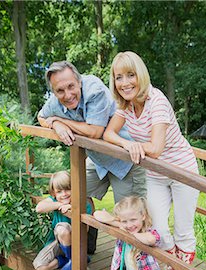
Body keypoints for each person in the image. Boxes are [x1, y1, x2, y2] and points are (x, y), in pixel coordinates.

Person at [103, 51, 199, 270]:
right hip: (156, 174)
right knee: (158, 228)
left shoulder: (156, 100)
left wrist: (138, 146)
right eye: (119, 77)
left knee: (183, 231)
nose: (125, 83)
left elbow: (156, 148)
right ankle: (169, 267)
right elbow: (108, 133)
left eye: (130, 75)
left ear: (141, 75)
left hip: (182, 171)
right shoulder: (125, 105)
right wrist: (128, 143)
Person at [37, 61, 146, 204]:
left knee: (128, 216)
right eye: (60, 91)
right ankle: (89, 226)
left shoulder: (94, 90)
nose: (68, 95)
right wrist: (56, 124)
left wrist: (60, 120)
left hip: (126, 159)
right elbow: (41, 116)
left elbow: (94, 131)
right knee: (72, 197)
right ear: (54, 92)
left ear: (79, 82)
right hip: (98, 160)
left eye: (71, 86)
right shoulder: (54, 102)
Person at [95, 196, 185, 270]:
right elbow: (97, 214)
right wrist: (117, 223)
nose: (129, 225)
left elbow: (150, 239)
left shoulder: (149, 232)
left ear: (143, 216)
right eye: (125, 221)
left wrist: (129, 232)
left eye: (133, 220)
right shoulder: (122, 226)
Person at [32, 170, 92, 270]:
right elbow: (39, 208)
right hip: (58, 242)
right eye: (59, 191)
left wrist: (73, 208)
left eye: (68, 189)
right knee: (39, 266)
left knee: (62, 229)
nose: (64, 194)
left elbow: (85, 230)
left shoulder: (84, 204)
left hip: (75, 242)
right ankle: (67, 260)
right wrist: (59, 205)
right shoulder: (55, 201)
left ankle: (74, 260)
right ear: (54, 193)